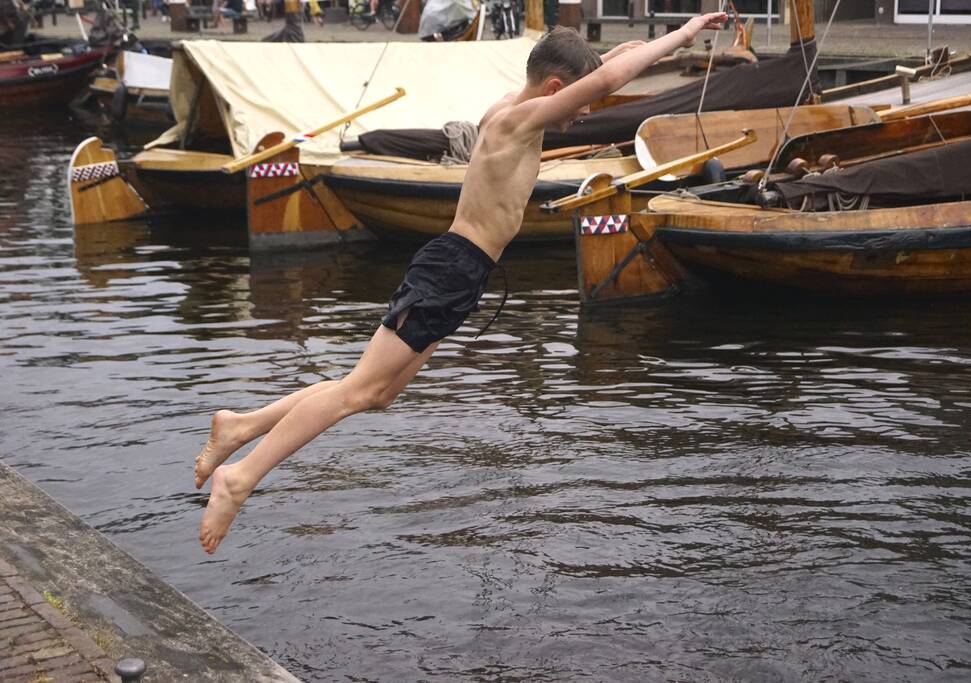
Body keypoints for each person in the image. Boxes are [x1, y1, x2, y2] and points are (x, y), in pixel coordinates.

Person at [196, 15, 728, 555]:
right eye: (579, 101)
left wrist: (616, 56)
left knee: (376, 393)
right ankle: (240, 478)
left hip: (462, 274)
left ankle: (241, 426)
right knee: (357, 391)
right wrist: (682, 35)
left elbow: (596, 76)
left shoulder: (513, 105)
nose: (584, 111)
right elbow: (605, 82)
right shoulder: (515, 122)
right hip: (450, 270)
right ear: (554, 89)